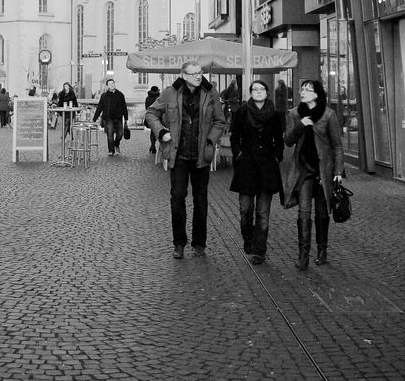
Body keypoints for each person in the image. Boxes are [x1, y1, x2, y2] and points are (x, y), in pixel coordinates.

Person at [145, 62, 225, 259]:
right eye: (194, 73)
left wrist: (209, 140)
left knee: (201, 200)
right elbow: (151, 113)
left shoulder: (210, 93)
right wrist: (161, 131)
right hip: (178, 154)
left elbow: (220, 120)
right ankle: (179, 242)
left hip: (201, 155)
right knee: (177, 198)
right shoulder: (170, 93)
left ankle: (199, 243)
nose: (198, 76)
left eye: (200, 73)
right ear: (184, 75)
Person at [283, 79, 345, 270]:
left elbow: (337, 145)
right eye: (301, 89)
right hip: (303, 171)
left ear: (316, 94)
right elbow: (288, 141)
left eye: (307, 90)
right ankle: (303, 256)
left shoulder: (328, 114)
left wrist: (337, 171)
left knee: (321, 212)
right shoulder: (294, 113)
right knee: (303, 211)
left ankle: (322, 250)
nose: (302, 92)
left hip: (324, 171)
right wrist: (300, 125)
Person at [229, 81, 284, 265]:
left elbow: (279, 139)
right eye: (255, 89)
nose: (258, 92)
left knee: (263, 212)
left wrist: (277, 156)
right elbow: (234, 136)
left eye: (262, 89)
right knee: (245, 209)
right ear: (251, 93)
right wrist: (238, 154)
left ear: (267, 93)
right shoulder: (242, 113)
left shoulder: (275, 115)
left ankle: (259, 250)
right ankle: (248, 237)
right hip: (246, 166)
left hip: (267, 167)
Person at [93, 78, 129, 155]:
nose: (112, 85)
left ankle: (116, 144)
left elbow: (124, 106)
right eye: (110, 84)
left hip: (118, 117)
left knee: (120, 134)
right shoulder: (104, 96)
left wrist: (126, 117)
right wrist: (95, 117)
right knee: (110, 134)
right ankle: (111, 150)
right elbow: (100, 107)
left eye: (113, 83)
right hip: (108, 118)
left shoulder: (120, 95)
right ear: (107, 86)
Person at [145, 85, 160, 153]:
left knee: (152, 132)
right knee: (154, 132)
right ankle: (153, 146)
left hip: (150, 116)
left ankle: (152, 146)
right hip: (157, 116)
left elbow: (147, 107)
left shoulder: (148, 98)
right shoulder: (157, 97)